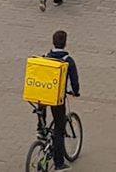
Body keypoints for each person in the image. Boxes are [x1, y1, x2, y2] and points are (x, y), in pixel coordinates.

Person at [45, 30, 82, 169]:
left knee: (42, 118)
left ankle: (40, 130)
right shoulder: (68, 61)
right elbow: (74, 81)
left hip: (42, 95)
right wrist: (76, 92)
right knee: (59, 129)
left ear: (53, 42)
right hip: (57, 98)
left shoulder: (46, 57)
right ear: (65, 43)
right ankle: (59, 164)